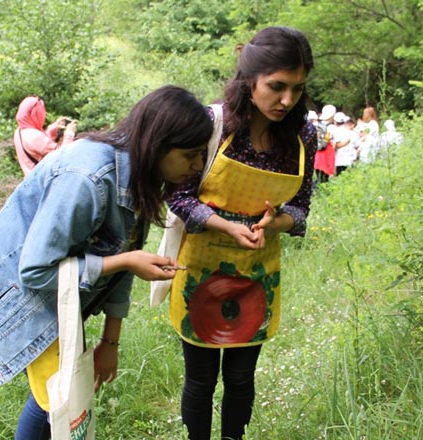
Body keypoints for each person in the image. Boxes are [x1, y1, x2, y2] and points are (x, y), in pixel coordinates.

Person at [0, 85, 214, 440]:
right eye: (191, 155)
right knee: (58, 402)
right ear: (158, 143)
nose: (197, 166)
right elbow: (36, 270)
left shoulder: (137, 176)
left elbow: (124, 254)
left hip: (58, 297)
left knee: (58, 398)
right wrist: (125, 262)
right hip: (20, 296)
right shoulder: (88, 179)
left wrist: (110, 342)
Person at [165, 26, 316, 440]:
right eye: (277, 87)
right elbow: (177, 197)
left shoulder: (303, 136)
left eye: (298, 89)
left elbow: (301, 209)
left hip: (257, 275)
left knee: (241, 377)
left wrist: (279, 222)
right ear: (249, 80)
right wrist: (227, 225)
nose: (288, 100)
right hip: (200, 272)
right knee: (199, 380)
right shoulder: (213, 125)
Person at [13, 96, 78, 175]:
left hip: (31, 180)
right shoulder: (34, 136)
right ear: (35, 114)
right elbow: (61, 155)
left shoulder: (20, 131)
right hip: (43, 183)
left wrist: (53, 129)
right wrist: (69, 133)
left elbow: (39, 146)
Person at [313, 104, 336, 184]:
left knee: (318, 176)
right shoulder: (331, 127)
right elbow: (332, 140)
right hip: (327, 154)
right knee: (324, 179)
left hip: (318, 153)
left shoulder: (317, 125)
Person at [331, 112, 357, 176]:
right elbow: (357, 146)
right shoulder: (353, 133)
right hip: (350, 159)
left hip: (339, 160)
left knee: (339, 177)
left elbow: (335, 146)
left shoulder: (334, 131)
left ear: (335, 121)